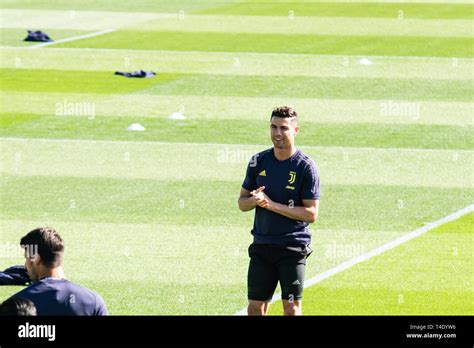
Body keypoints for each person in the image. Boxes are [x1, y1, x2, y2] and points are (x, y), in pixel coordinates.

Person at [238, 106, 320, 316]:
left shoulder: (305, 167)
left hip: (291, 248)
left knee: (291, 308)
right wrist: (255, 201)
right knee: (256, 307)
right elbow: (241, 203)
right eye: (273, 127)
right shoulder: (258, 161)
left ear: (295, 130)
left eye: (283, 128)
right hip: (262, 244)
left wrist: (270, 204)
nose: (277, 133)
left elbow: (311, 214)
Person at [9, 227, 108, 315]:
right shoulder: (94, 301)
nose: (25, 265)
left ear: (36, 258)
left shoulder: (17, 305)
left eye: (26, 258)